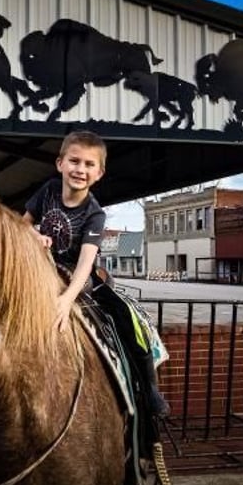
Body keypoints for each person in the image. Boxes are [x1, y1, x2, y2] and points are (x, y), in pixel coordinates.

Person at [23, 130, 169, 417]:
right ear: (60, 164)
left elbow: (86, 263)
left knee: (128, 317)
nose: (80, 169)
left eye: (89, 164)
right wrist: (33, 234)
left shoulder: (95, 214)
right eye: (74, 161)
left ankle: (149, 388)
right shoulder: (49, 190)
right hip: (42, 268)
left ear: (99, 173)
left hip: (79, 277)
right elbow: (22, 223)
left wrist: (66, 299)